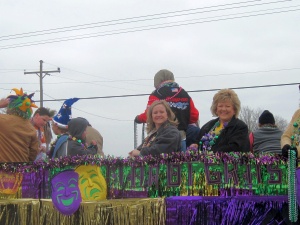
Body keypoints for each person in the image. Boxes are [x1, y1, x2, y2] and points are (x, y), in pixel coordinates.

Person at [134, 69, 199, 151]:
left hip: (162, 138)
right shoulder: (183, 92)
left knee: (161, 162)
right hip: (182, 137)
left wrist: (138, 118)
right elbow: (194, 116)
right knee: (181, 162)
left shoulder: (157, 94)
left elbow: (148, 115)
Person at [193, 89, 250, 153]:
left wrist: (210, 153)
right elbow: (198, 141)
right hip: (203, 162)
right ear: (216, 108)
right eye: (220, 106)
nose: (223, 109)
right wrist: (196, 145)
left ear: (234, 109)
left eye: (227, 106)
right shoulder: (208, 126)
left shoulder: (240, 127)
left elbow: (234, 148)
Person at [0, 88, 39, 162]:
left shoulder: (2, 120)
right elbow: (33, 153)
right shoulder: (31, 128)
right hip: (22, 170)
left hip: (3, 170)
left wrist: (1, 105)